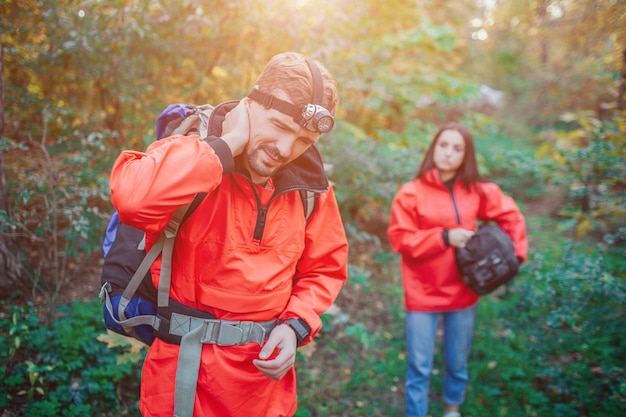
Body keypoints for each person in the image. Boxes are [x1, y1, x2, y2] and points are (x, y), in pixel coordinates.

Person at [109, 52, 349, 417]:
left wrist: (294, 325)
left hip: (265, 389)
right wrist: (227, 144)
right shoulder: (194, 153)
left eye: (304, 139)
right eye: (279, 126)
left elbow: (325, 268)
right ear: (250, 104)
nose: (285, 150)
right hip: (184, 383)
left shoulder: (310, 190)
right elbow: (132, 200)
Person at [386, 122, 527, 417]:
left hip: (463, 291)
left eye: (457, 148)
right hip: (422, 293)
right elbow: (400, 239)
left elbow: (511, 216)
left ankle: (452, 409)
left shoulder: (476, 190)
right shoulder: (411, 193)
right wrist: (443, 237)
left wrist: (515, 257)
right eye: (443, 145)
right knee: (419, 366)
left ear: (466, 155)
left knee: (457, 361)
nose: (448, 153)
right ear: (433, 148)